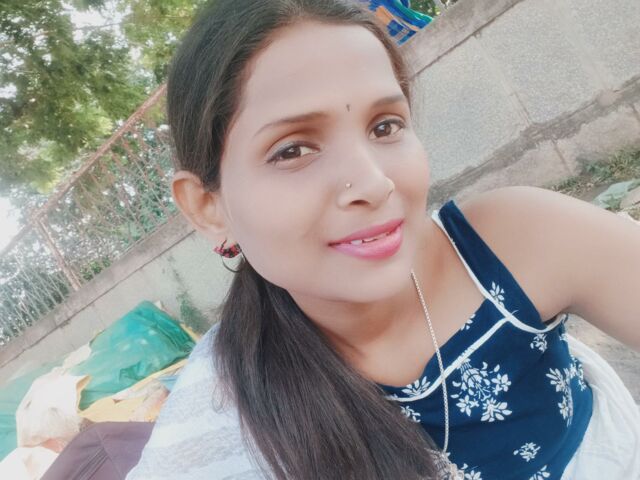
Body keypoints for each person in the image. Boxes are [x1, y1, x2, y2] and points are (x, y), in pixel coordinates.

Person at [126, 0, 640, 479]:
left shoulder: (515, 243)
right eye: (292, 150)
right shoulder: (218, 416)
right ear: (208, 207)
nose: (374, 183)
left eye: (385, 126)